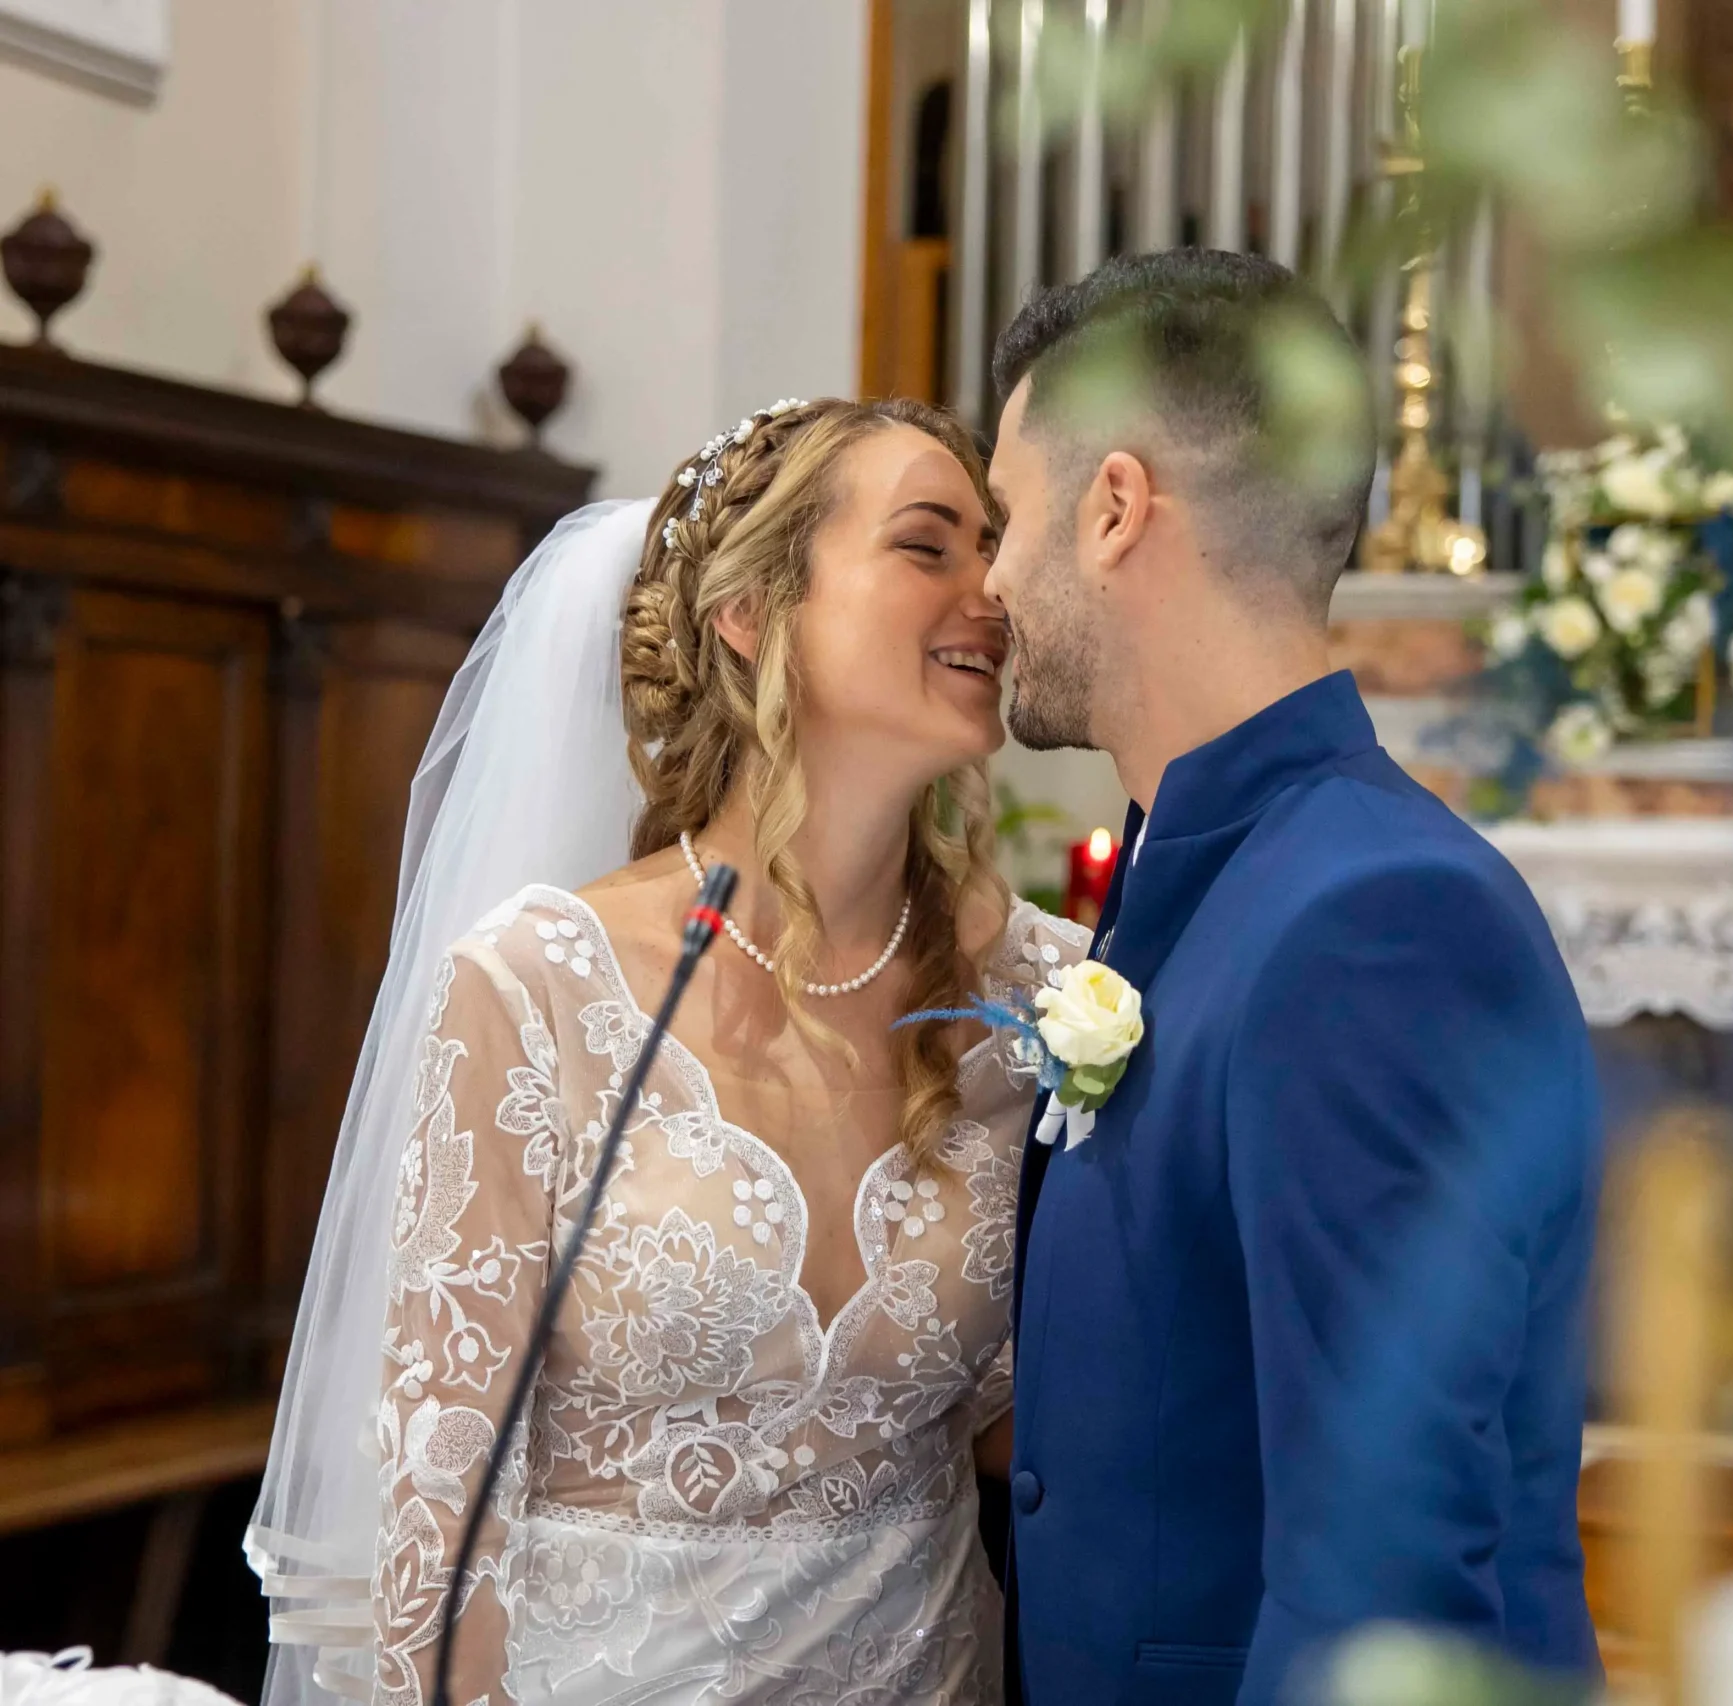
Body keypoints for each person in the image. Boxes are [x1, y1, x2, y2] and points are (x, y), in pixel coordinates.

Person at [247, 398, 1085, 1706]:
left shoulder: (1045, 994)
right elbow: (442, 1496)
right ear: (749, 615)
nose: (989, 588)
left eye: (995, 541)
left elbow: (1032, 1424)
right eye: (928, 545)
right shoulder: (537, 986)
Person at [986, 250, 1603, 1705]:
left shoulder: (1375, 921)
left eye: (1006, 515)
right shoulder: (1199, 880)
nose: (994, 578)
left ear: (1116, 507)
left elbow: (1380, 1579)